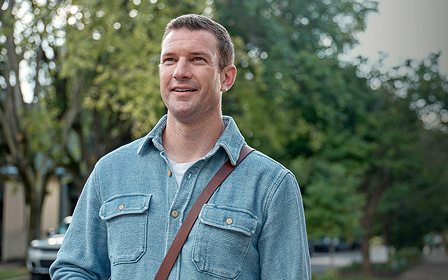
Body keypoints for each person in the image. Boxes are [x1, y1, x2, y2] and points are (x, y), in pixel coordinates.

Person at [50, 14, 311, 279]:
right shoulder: (111, 171)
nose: (180, 72)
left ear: (227, 78)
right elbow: (73, 269)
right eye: (169, 60)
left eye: (197, 59)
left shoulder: (272, 185)